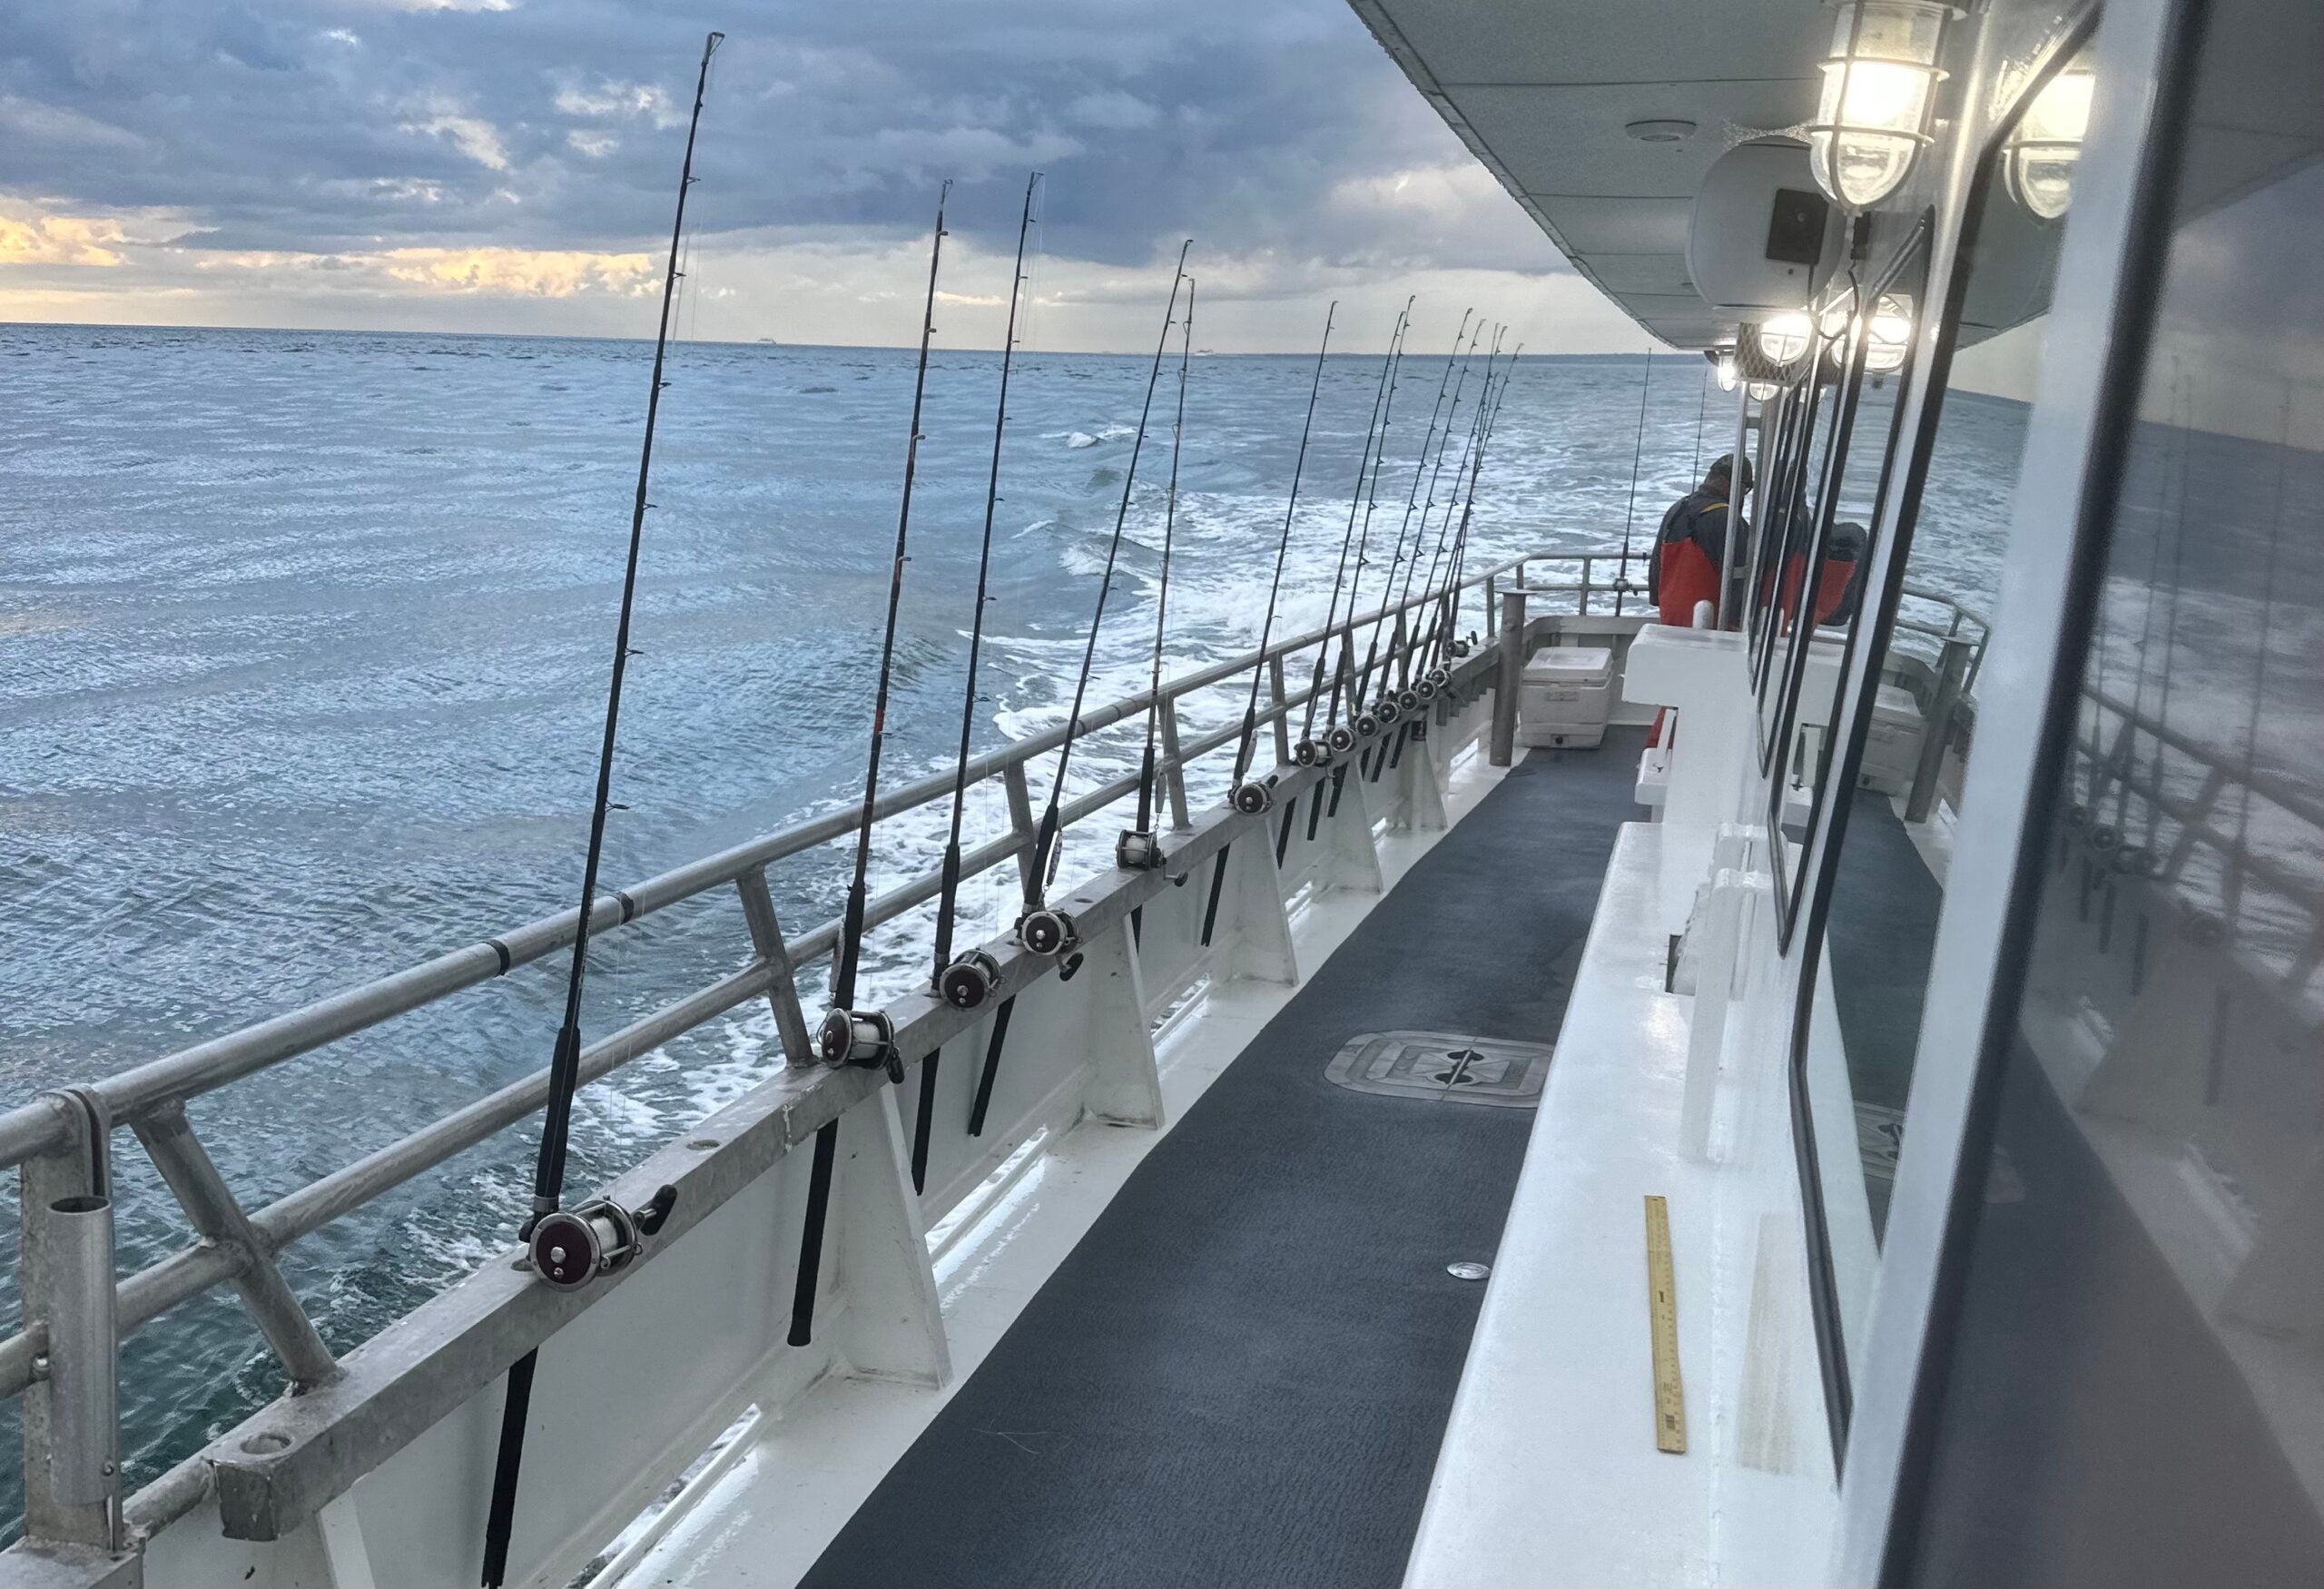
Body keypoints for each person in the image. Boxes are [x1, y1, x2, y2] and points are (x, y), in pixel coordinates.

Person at [1649, 454, 1752, 627]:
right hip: (1709, 625)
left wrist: (1656, 600)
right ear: (1733, 484)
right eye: (1745, 488)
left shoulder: (1677, 508)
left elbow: (1656, 563)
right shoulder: (1728, 520)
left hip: (1671, 621)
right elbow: (1739, 578)